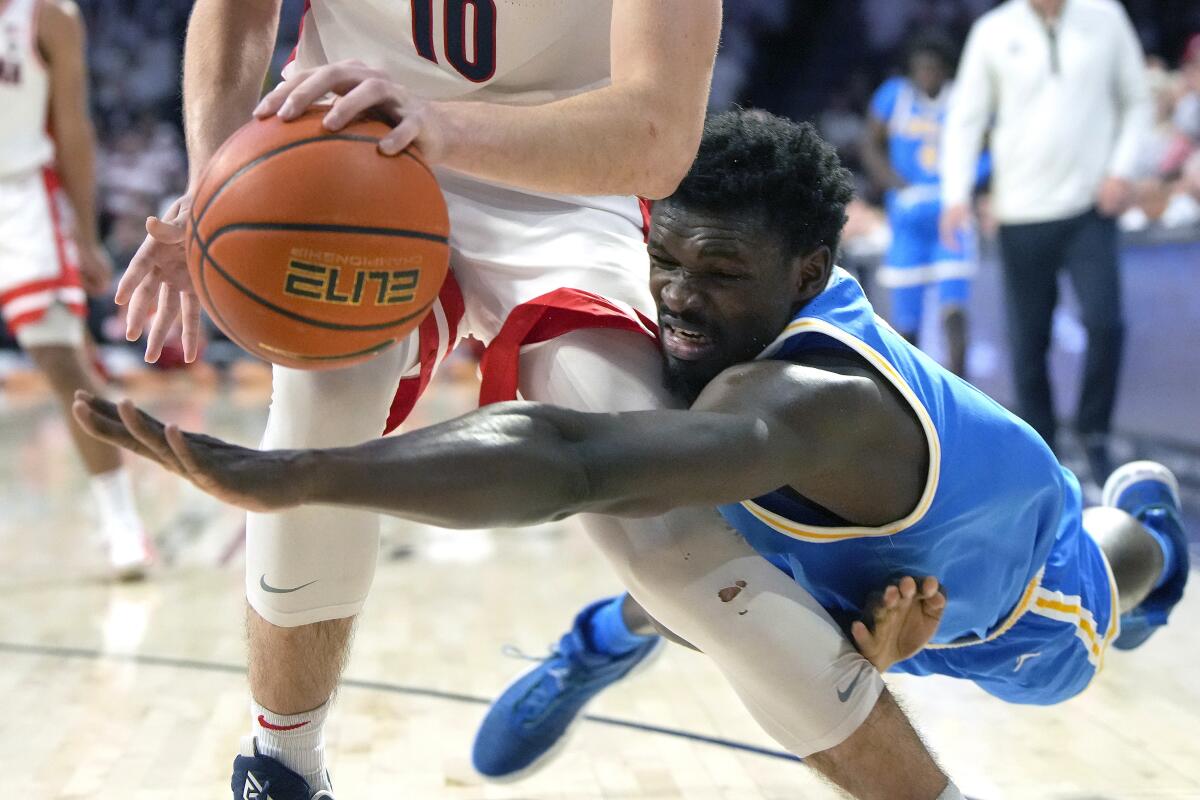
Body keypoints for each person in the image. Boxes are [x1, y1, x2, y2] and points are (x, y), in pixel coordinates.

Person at [78, 111, 1190, 800]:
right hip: (846, 564)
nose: (681, 303)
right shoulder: (700, 325)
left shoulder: (809, 400)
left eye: (720, 273)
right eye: (667, 262)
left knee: (1119, 579)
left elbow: (566, 458)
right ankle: (619, 628)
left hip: (1017, 596)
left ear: (806, 274)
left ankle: (1159, 524)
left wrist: (301, 474)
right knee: (710, 565)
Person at [114, 4, 950, 799]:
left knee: (661, 529)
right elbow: (236, 11)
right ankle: (282, 768)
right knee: (316, 416)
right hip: (341, 150)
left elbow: (657, 132)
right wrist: (214, 184)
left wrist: (440, 124)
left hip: (563, 177)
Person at [940, 0, 1152, 483]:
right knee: (1028, 341)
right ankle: (1043, 454)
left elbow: (1136, 100)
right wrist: (955, 194)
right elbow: (967, 117)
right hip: (1021, 209)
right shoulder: (993, 31)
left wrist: (1122, 169)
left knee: (1105, 322)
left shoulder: (1106, 16)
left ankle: (1094, 431)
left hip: (1091, 206)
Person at [0, 0, 151, 577]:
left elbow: (72, 128)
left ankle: (120, 519)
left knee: (61, 359)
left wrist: (85, 236)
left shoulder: (48, 14)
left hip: (22, 194)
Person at [861, 33, 985, 377]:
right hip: (907, 217)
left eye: (933, 68)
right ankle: (911, 402)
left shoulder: (963, 97)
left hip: (949, 215)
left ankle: (963, 394)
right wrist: (895, 183)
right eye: (920, 68)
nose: (926, 74)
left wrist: (967, 182)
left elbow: (988, 148)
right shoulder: (894, 96)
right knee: (906, 324)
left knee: (954, 311)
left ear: (946, 70)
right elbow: (869, 144)